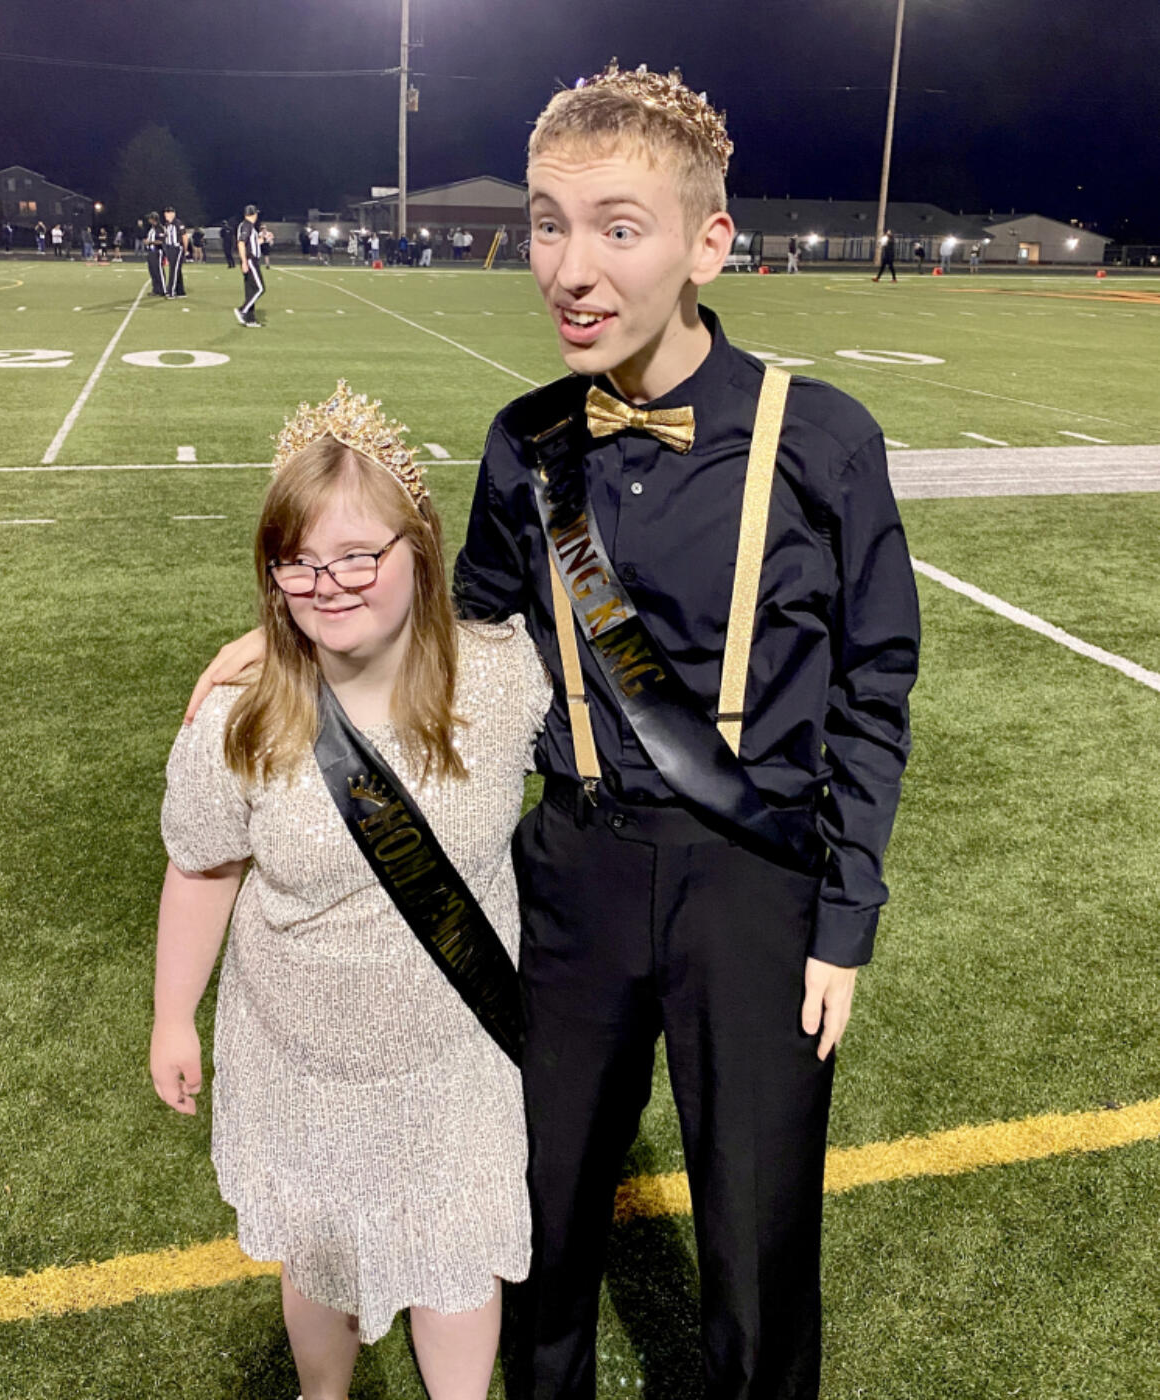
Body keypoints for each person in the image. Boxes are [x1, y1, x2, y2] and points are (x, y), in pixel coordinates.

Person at [187, 61, 920, 1400]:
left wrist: (843, 911)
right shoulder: (525, 443)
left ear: (707, 242)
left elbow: (876, 680)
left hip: (754, 889)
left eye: (615, 226)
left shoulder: (820, 437)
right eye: (543, 222)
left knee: (756, 1245)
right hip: (565, 879)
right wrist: (296, 638)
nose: (568, 267)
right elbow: (458, 647)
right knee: (534, 1227)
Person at [153, 381, 549, 1400]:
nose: (327, 585)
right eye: (298, 560)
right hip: (297, 1059)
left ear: (421, 548)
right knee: (319, 1256)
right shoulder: (239, 716)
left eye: (358, 555)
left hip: (452, 1057)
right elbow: (202, 864)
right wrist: (172, 1017)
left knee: (458, 1256)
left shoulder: (505, 682)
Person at [235, 203, 265, 327]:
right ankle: (243, 310)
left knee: (250, 290)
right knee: (260, 288)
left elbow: (252, 243)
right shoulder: (247, 226)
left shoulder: (248, 226)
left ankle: (250, 318)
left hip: (250, 259)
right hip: (250, 260)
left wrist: (264, 239)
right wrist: (244, 261)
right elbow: (241, 243)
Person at [161, 204, 189, 297]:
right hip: (170, 248)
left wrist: (185, 249)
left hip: (177, 248)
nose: (166, 215)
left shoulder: (178, 223)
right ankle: (180, 291)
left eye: (168, 213)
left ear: (173, 213)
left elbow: (185, 237)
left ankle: (171, 291)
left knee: (173, 270)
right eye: (165, 213)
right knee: (177, 270)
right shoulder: (167, 224)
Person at [144, 211, 166, 295]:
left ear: (153, 219)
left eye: (150, 218)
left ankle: (163, 290)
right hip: (151, 252)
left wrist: (150, 242)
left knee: (158, 271)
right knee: (153, 272)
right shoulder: (152, 228)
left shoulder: (160, 228)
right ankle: (156, 289)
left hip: (157, 251)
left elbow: (161, 241)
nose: (148, 220)